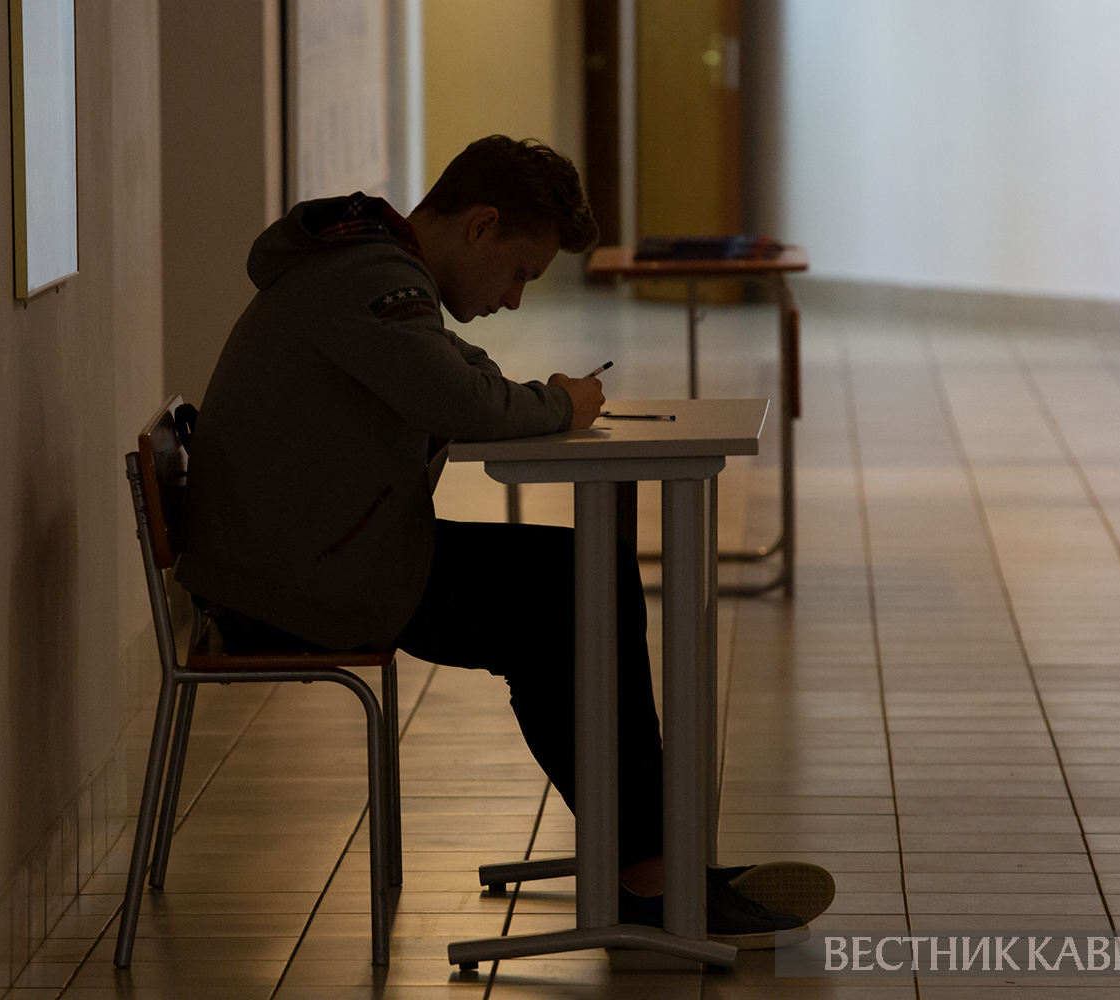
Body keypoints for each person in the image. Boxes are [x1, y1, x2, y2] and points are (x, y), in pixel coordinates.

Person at [176, 135, 833, 947]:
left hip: (306, 557)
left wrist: (525, 395)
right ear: (481, 225)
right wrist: (559, 406)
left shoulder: (371, 266)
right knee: (568, 591)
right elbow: (465, 403)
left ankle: (648, 860)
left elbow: (463, 371)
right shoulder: (371, 278)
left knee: (574, 583)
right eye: (520, 271)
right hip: (296, 584)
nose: (516, 299)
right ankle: (649, 871)